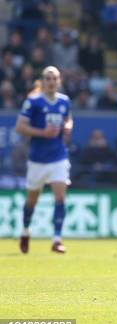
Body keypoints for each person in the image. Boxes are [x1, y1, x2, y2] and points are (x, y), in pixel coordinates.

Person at [15, 66, 73, 254]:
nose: (51, 81)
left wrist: (68, 126)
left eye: (54, 78)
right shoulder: (33, 102)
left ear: (59, 81)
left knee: (60, 195)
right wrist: (42, 132)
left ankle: (57, 239)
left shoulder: (65, 101)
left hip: (58, 156)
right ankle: (25, 231)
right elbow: (20, 127)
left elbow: (69, 118)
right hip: (37, 159)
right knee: (32, 199)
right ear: (43, 81)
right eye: (47, 78)